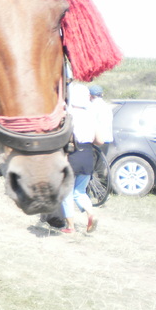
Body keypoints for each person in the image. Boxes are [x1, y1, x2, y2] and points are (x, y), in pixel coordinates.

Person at [60, 83, 105, 234]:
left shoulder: (68, 115)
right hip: (87, 156)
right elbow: (100, 141)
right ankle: (91, 213)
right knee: (79, 191)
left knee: (66, 192)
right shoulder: (90, 116)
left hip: (71, 156)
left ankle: (70, 227)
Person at [89, 84, 114, 153]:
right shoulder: (107, 106)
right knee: (102, 162)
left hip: (97, 140)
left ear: (90, 95)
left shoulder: (92, 106)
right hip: (107, 139)